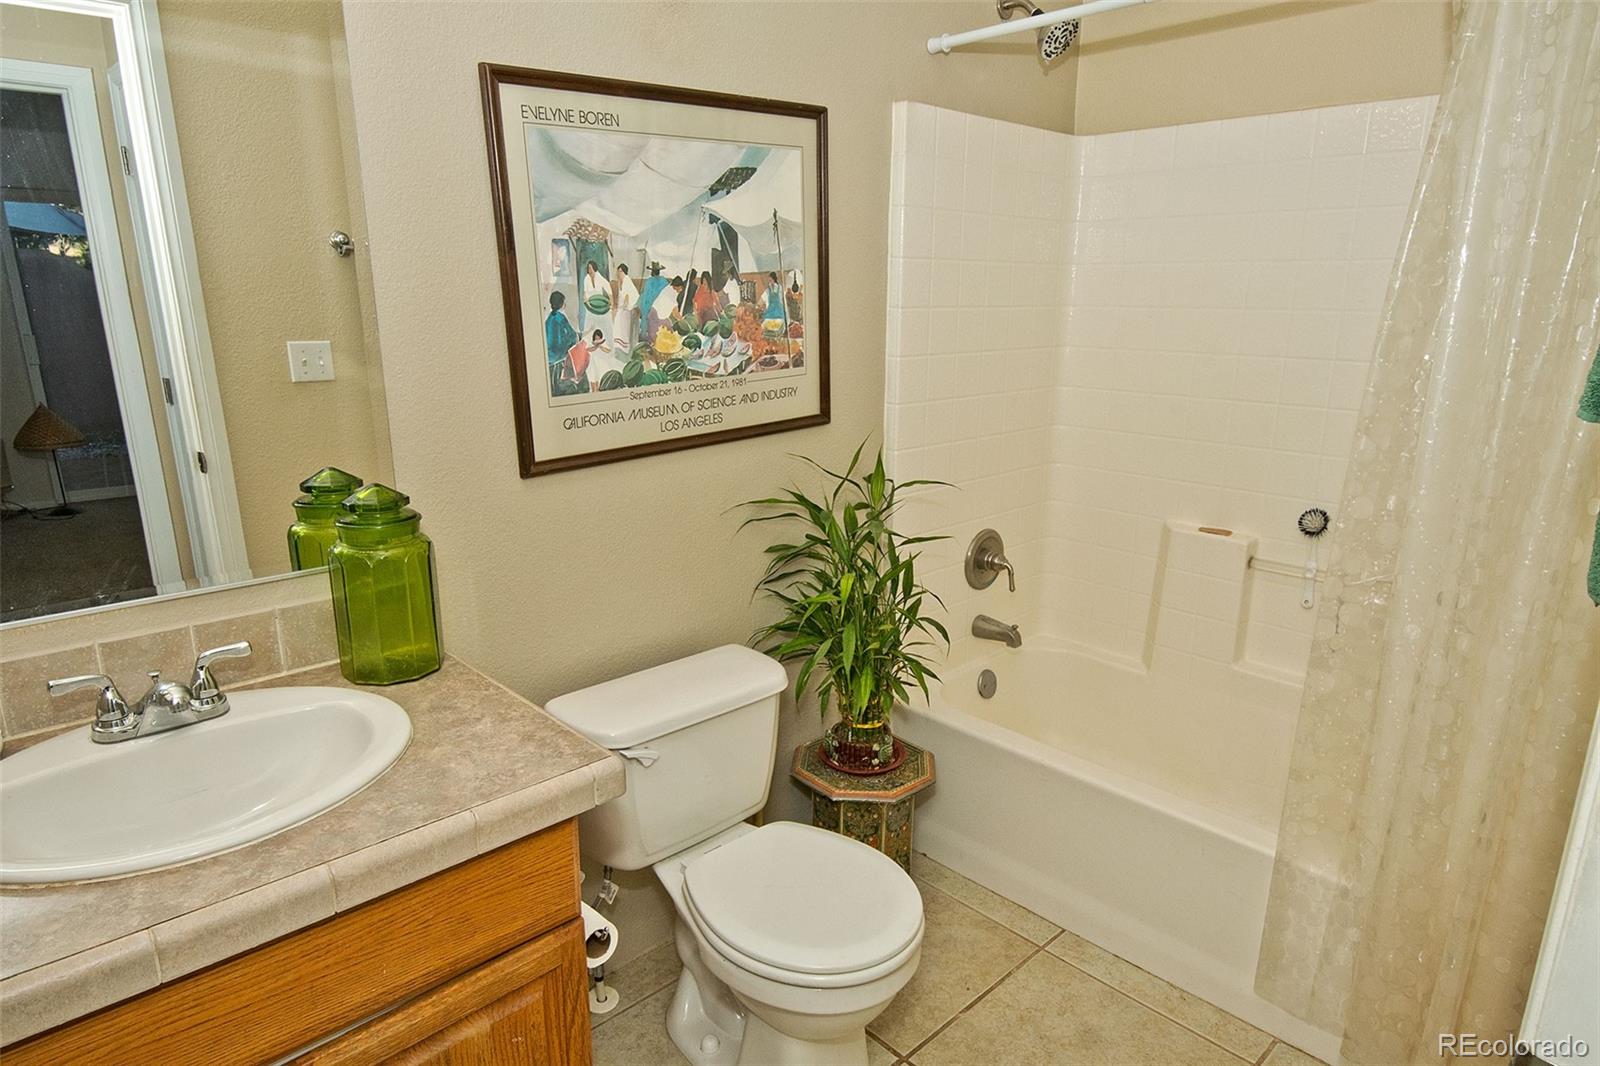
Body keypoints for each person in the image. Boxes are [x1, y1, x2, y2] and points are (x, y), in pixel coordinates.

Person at [544, 291, 578, 393]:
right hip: (559, 356)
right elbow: (572, 335)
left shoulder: (549, 319)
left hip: (549, 357)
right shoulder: (561, 318)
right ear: (562, 304)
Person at [568, 329, 612, 393]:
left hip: (599, 365)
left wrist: (600, 346)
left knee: (599, 383)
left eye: (598, 338)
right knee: (593, 382)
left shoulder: (603, 343)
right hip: (591, 365)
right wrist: (596, 346)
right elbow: (588, 349)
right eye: (596, 337)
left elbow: (608, 350)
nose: (597, 339)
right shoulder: (591, 343)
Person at [648, 276, 685, 347]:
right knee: (656, 341)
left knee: (670, 331)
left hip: (660, 316)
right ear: (675, 286)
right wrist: (682, 320)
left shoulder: (670, 289)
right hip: (655, 316)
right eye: (680, 287)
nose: (681, 290)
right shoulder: (670, 293)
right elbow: (675, 313)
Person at [612, 263, 637, 349]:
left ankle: (624, 346)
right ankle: (618, 345)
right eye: (618, 271)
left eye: (620, 271)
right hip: (623, 307)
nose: (618, 273)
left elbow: (627, 296)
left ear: (624, 272)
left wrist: (623, 307)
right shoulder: (620, 282)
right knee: (617, 321)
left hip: (628, 308)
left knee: (621, 321)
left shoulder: (627, 280)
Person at [580, 260, 608, 336]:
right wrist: (586, 300)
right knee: (589, 326)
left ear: (594, 268)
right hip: (589, 306)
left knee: (600, 326)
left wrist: (610, 302)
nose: (589, 270)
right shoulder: (586, 279)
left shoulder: (600, 277)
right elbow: (585, 292)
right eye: (588, 268)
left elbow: (608, 288)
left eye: (591, 268)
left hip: (599, 306)